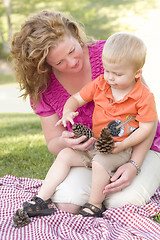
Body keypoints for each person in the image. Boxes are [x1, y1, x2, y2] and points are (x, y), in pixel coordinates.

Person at [10, 10, 160, 216]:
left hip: (139, 147)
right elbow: (54, 142)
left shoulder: (112, 56)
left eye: (72, 51)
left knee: (122, 203)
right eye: (59, 62)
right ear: (45, 65)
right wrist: (67, 142)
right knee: (66, 203)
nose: (71, 62)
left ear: (75, 34)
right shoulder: (43, 88)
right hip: (95, 151)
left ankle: (105, 196)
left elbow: (148, 120)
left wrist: (135, 164)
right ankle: (43, 201)